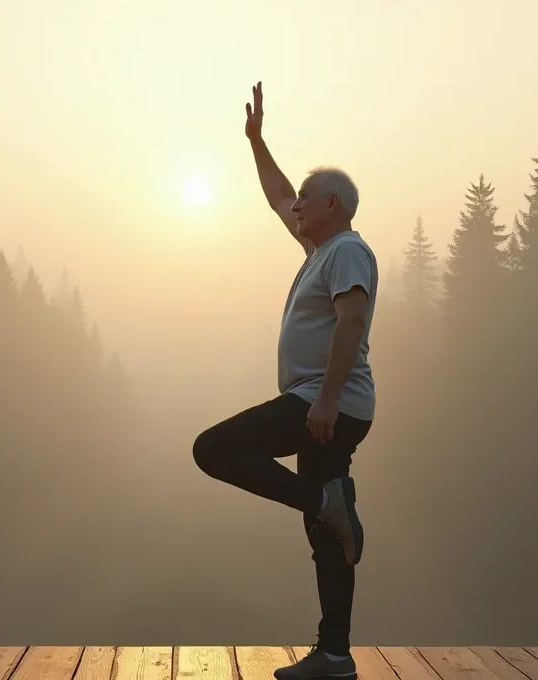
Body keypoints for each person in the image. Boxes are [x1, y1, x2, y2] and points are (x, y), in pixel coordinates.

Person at [192, 81, 379, 680]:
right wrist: (257, 141)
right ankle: (335, 654)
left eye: (306, 197)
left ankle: (323, 502)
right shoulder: (318, 249)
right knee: (328, 535)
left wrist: (324, 399)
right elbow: (276, 196)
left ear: (336, 206)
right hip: (323, 402)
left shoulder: (348, 249)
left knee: (214, 448)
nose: (294, 205)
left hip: (328, 402)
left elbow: (352, 320)